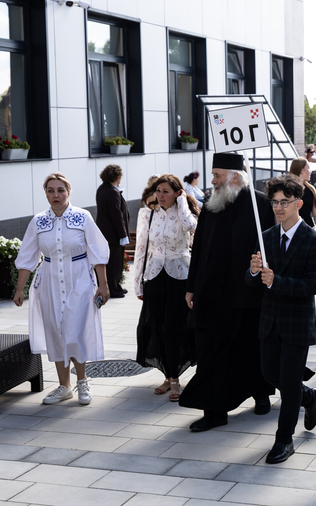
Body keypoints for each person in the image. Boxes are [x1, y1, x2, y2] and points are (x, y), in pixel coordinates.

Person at [180, 153, 275, 431]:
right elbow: (198, 249)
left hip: (247, 295)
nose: (213, 181)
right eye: (213, 175)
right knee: (211, 352)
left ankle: (261, 395)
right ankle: (215, 411)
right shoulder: (211, 204)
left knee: (251, 348)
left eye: (217, 175)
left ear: (235, 176)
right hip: (212, 294)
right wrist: (191, 286)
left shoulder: (260, 205)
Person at [247, 175, 316, 464]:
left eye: (284, 202)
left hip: (297, 322)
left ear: (299, 204)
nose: (278, 208)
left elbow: (312, 286)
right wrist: (255, 271)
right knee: (270, 374)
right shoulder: (266, 236)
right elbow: (252, 280)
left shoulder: (314, 241)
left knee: (290, 381)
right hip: (270, 320)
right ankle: (309, 396)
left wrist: (275, 280)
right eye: (275, 202)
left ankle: (284, 440)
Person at [13, 173, 110, 406]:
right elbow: (27, 255)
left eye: (60, 190)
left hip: (79, 279)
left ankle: (82, 381)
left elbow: (97, 251)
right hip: (49, 281)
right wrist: (19, 289)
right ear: (45, 193)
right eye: (50, 190)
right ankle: (64, 386)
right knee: (55, 331)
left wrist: (104, 285)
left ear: (68, 192)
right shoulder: (38, 221)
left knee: (75, 329)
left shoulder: (82, 217)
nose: (55, 195)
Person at [134, 174, 199, 402]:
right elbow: (141, 249)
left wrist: (182, 203)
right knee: (157, 328)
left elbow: (191, 226)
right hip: (154, 276)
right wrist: (137, 283)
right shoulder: (148, 214)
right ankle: (168, 375)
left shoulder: (185, 213)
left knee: (173, 329)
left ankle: (175, 379)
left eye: (166, 191)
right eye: (158, 191)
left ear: (177, 193)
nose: (160, 196)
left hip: (179, 277)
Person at [95, 164, 130, 299]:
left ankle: (115, 286)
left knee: (110, 263)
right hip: (113, 236)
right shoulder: (112, 192)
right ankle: (114, 289)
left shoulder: (102, 189)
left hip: (105, 233)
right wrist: (123, 235)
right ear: (118, 176)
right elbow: (117, 215)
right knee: (114, 264)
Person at [289, 157, 316, 227]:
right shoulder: (287, 189)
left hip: (309, 230)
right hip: (292, 231)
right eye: (308, 168)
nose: (310, 171)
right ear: (301, 170)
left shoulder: (311, 189)